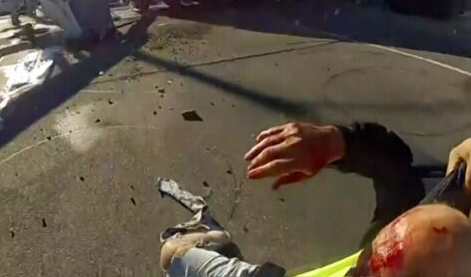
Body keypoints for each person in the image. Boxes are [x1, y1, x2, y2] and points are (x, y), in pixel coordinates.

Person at [160, 122, 471, 277]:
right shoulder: (432, 226)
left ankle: (214, 244)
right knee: (173, 254)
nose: (355, 270)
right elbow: (398, 171)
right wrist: (336, 143)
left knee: (176, 254)